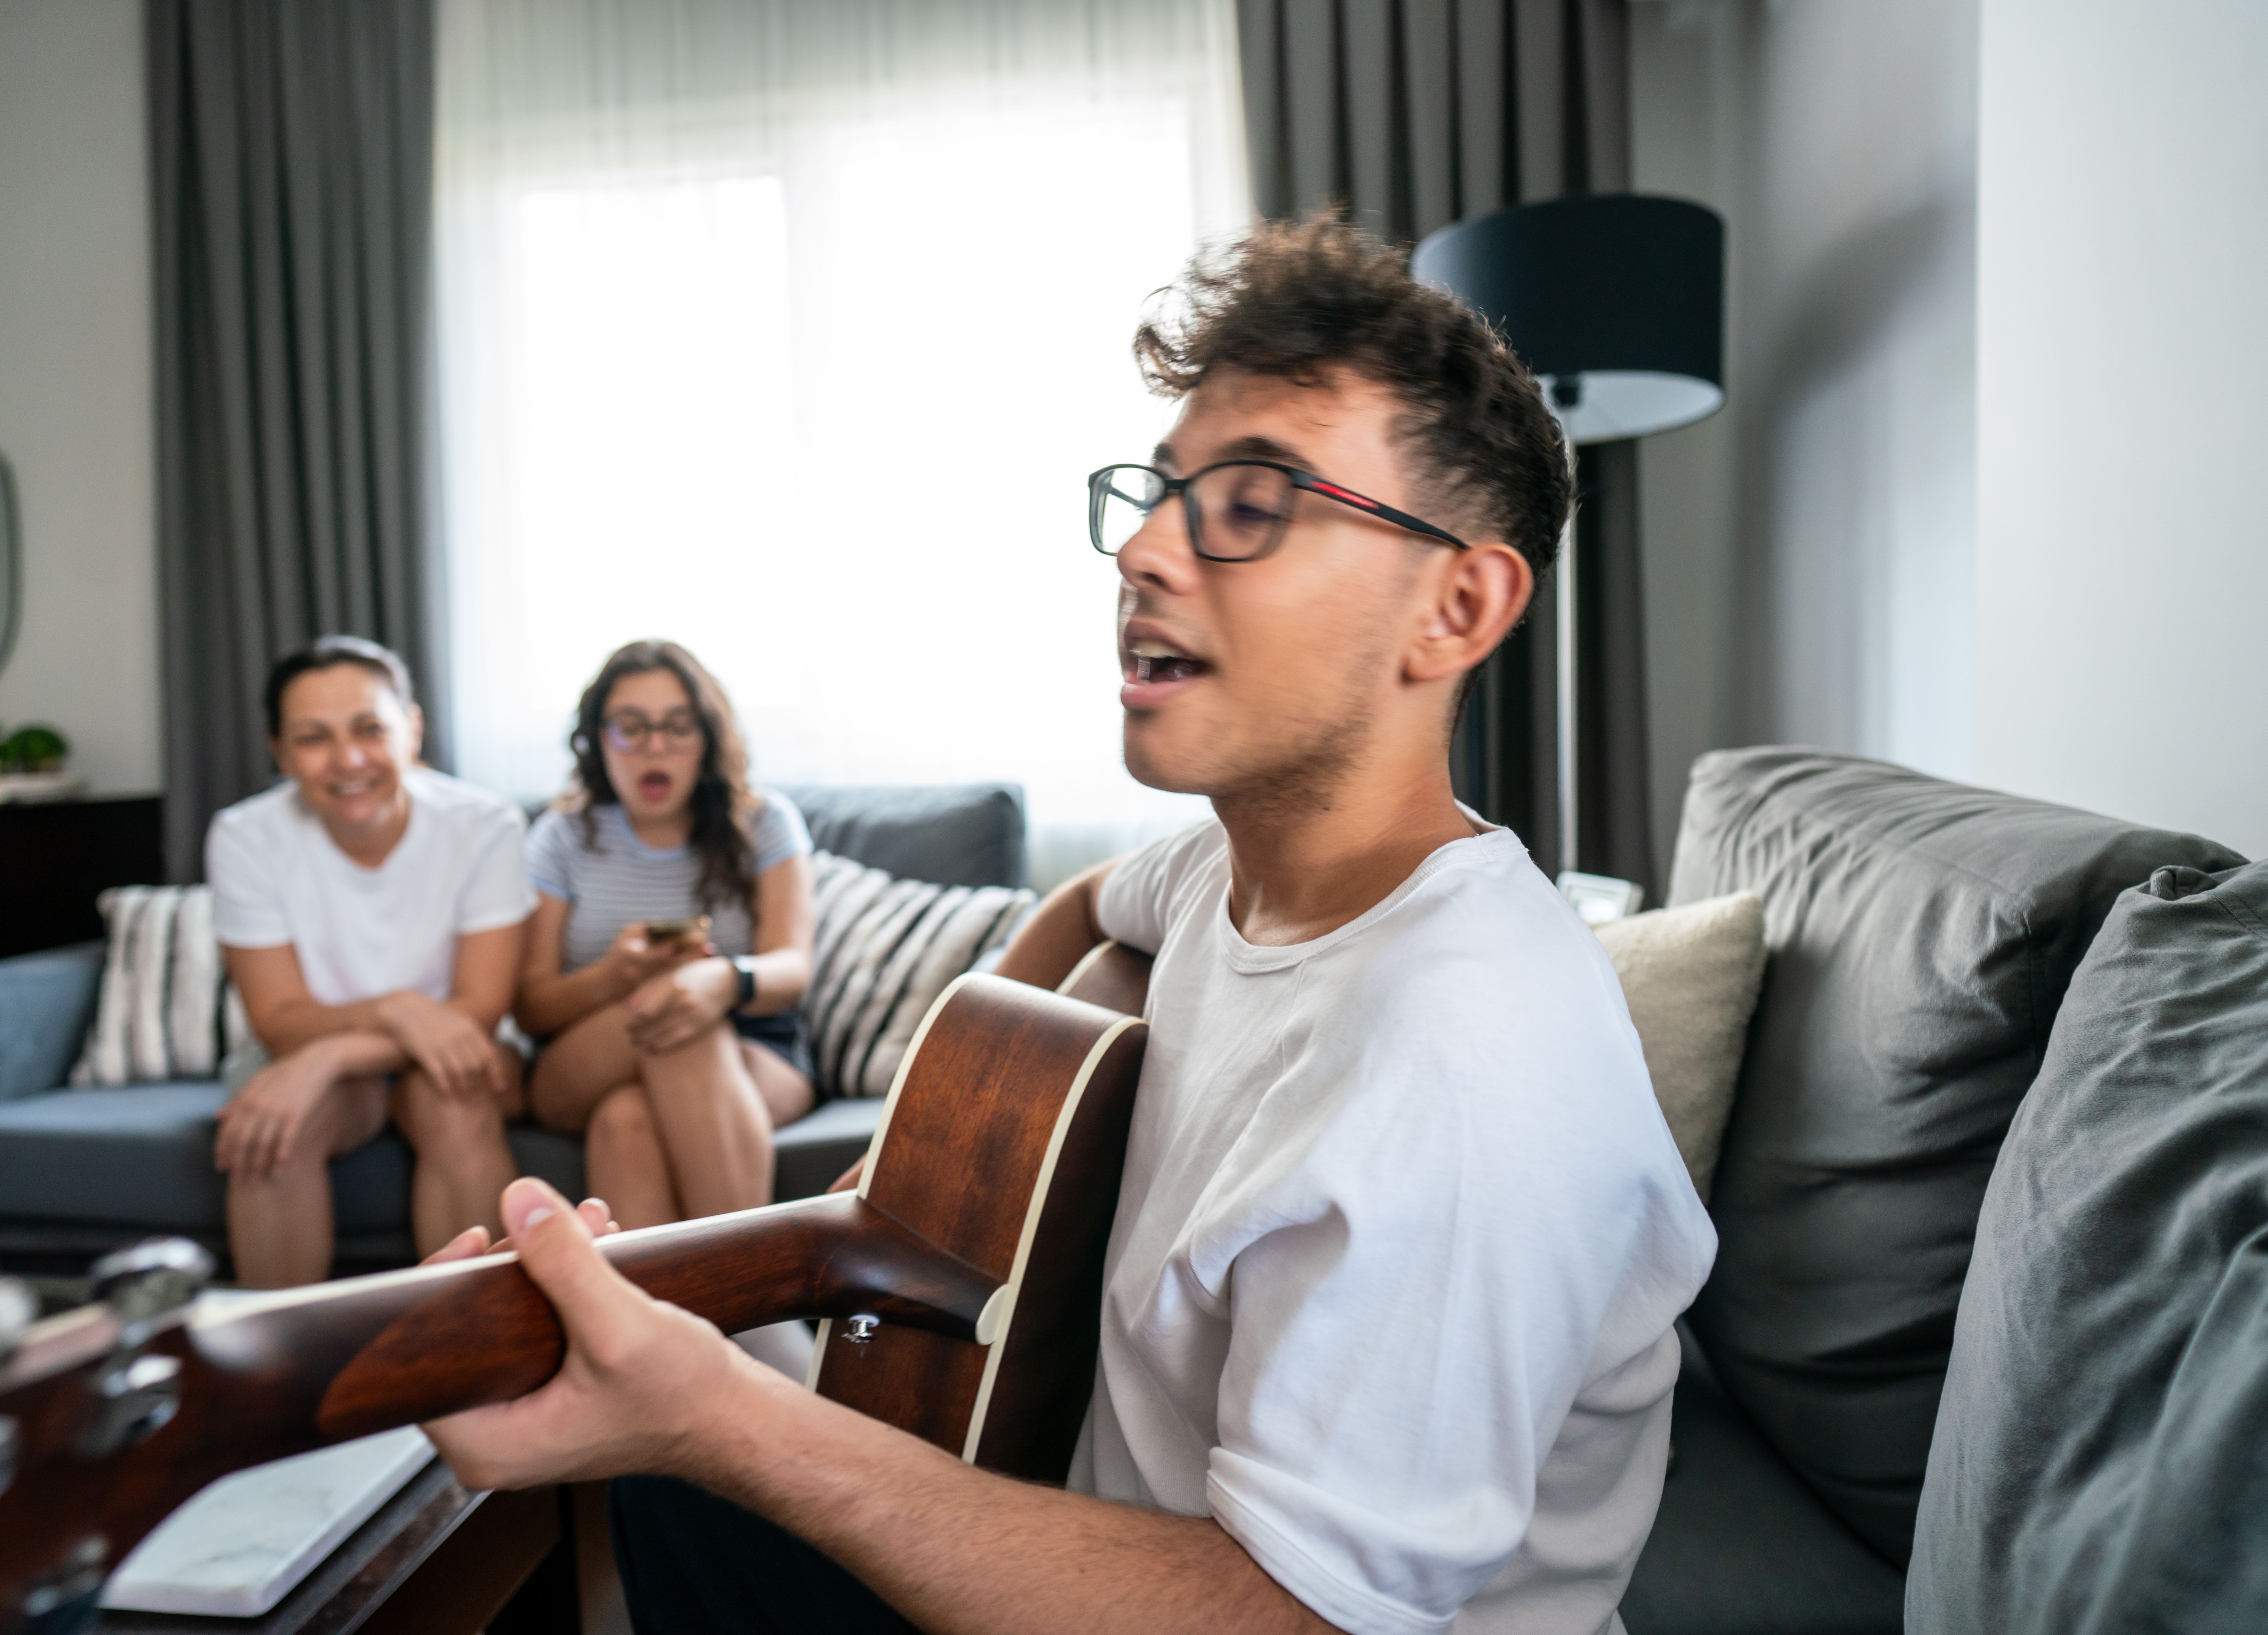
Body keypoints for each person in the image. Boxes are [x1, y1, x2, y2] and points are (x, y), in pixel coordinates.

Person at [422, 218, 1717, 1635]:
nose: (1148, 551)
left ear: (1453, 605)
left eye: (1252, 501)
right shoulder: (1229, 872)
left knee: (687, 1463)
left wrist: (719, 1415)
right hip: (1072, 1524)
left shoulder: (1463, 1059)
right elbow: (1090, 905)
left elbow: (1300, 1619)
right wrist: (923, 1164)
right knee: (660, 1482)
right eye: (1157, 497)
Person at [208, 636, 534, 1288]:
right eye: (314, 738)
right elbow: (278, 1020)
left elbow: (477, 1011)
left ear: (412, 731)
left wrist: (330, 1057)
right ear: (279, 752)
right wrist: (400, 1009)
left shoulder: (485, 826)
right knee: (276, 1129)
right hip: (304, 1047)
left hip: (443, 1048)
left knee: (458, 1099)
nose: (348, 760)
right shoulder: (244, 836)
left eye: (369, 730)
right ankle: (280, 1374)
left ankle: (474, 1362)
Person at [513, 640, 817, 1229]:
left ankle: (645, 1317)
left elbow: (792, 969)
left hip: (754, 1043)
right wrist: (612, 977)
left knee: (629, 1117)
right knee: (678, 1016)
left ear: (706, 738)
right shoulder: (560, 836)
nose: (655, 747)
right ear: (599, 738)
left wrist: (721, 980)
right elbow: (529, 1007)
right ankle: (753, 1299)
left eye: (677, 727)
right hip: (590, 1048)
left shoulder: (765, 822)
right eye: (632, 727)